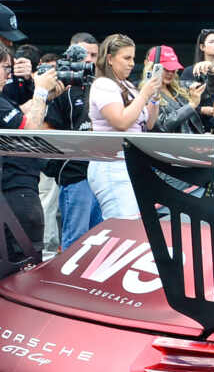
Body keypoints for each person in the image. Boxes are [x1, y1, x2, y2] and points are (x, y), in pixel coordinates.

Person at [88, 33, 160, 219]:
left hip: (130, 163)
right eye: (126, 58)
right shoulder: (103, 84)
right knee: (123, 225)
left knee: (135, 225)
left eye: (133, 58)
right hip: (112, 165)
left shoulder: (127, 85)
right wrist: (144, 94)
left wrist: (154, 97)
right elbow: (121, 122)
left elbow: (149, 123)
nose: (131, 63)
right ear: (110, 59)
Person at [43, 32, 103, 249]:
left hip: (103, 174)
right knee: (76, 242)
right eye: (83, 54)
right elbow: (46, 131)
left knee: (102, 241)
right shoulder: (60, 89)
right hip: (76, 175)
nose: (89, 60)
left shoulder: (104, 87)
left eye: (94, 55)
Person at [1, 42, 58, 260]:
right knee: (25, 266)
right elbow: (29, 129)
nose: (9, 75)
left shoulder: (4, 101)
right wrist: (41, 90)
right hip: (16, 192)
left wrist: (44, 96)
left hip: (14, 191)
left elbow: (19, 114)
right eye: (6, 68)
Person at [143, 45, 206, 134]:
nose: (170, 73)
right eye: (166, 69)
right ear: (153, 68)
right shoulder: (146, 92)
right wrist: (191, 105)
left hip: (193, 141)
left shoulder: (179, 87)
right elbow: (161, 126)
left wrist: (210, 68)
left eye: (173, 70)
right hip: (171, 146)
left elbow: (203, 86)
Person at [181, 28, 214, 131]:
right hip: (198, 127)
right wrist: (201, 109)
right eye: (212, 42)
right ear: (202, 47)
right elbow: (181, 103)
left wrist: (212, 68)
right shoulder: (190, 71)